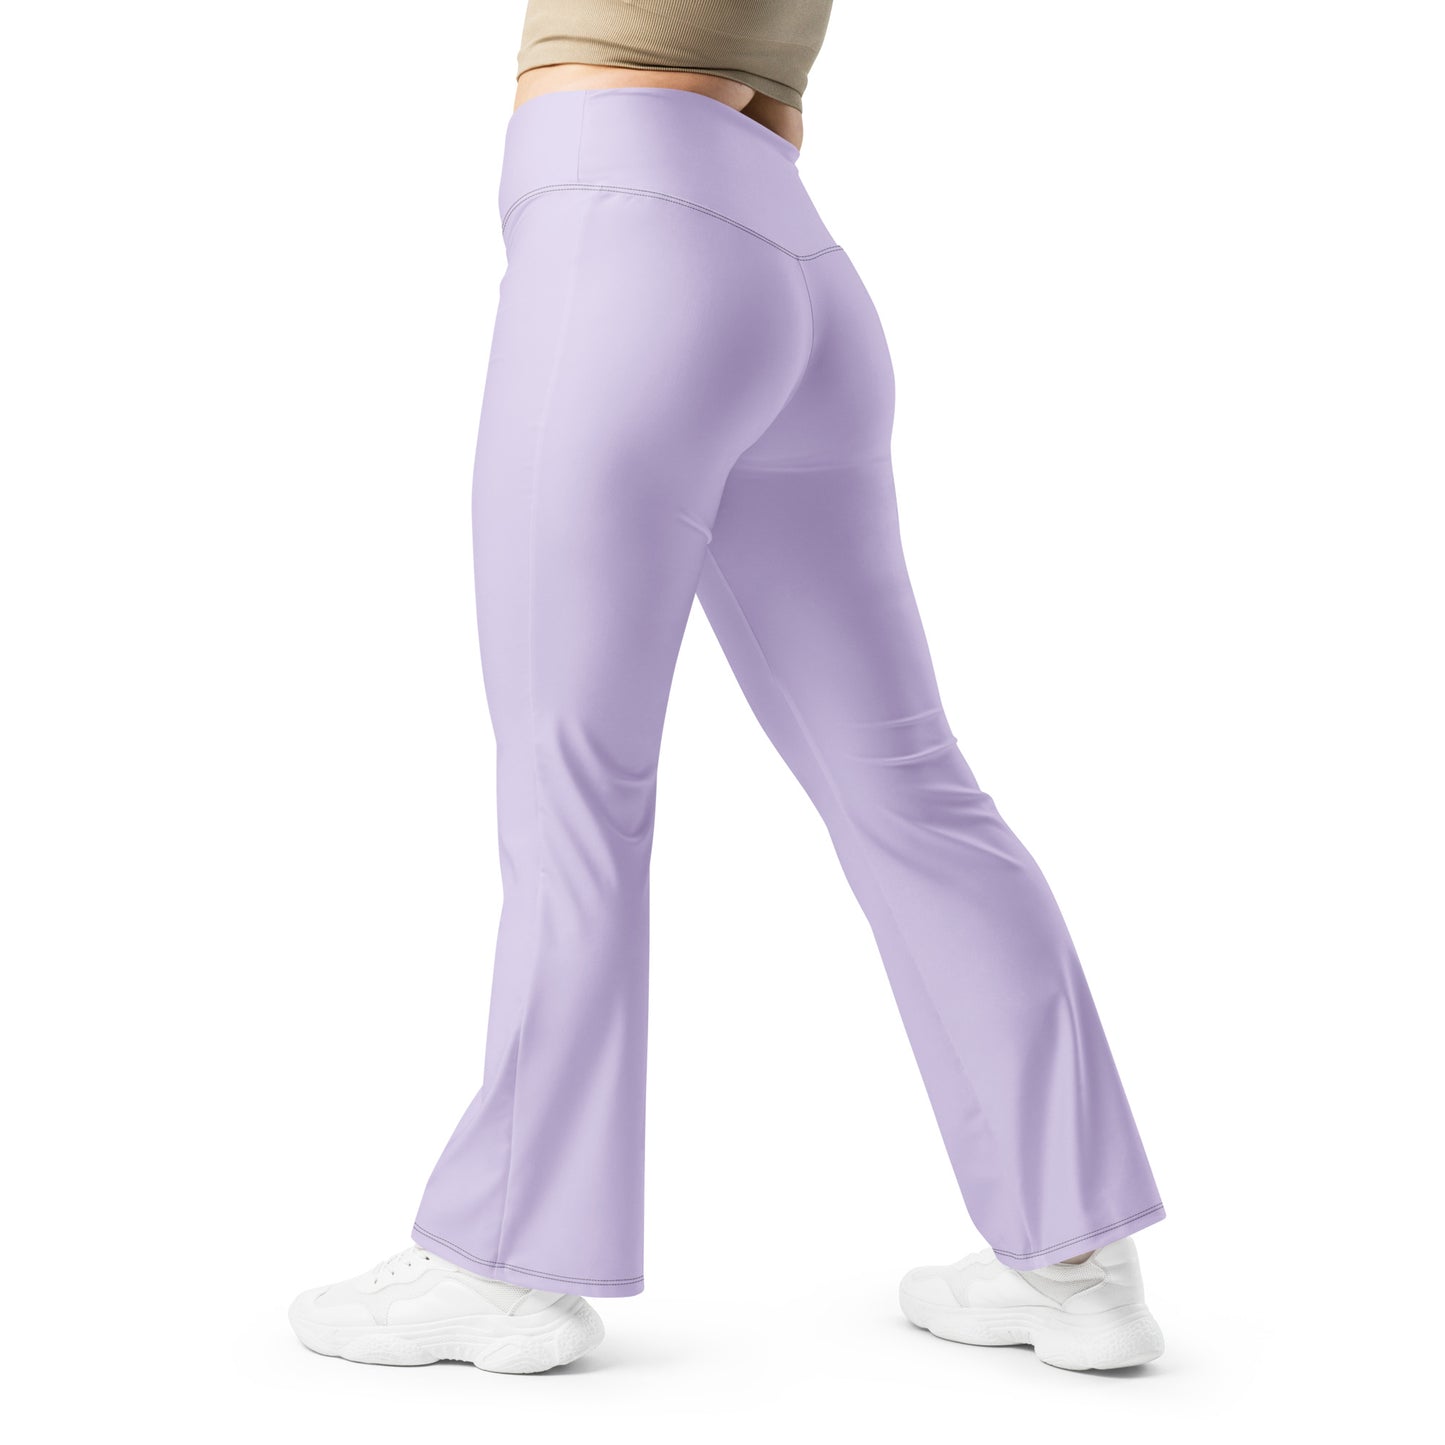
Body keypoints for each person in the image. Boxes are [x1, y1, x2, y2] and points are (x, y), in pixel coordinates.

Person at [290, 0, 1167, 1376]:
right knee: (910, 786)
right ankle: (1076, 1263)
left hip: (622, 230)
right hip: (787, 257)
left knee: (574, 784)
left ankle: (506, 1262)